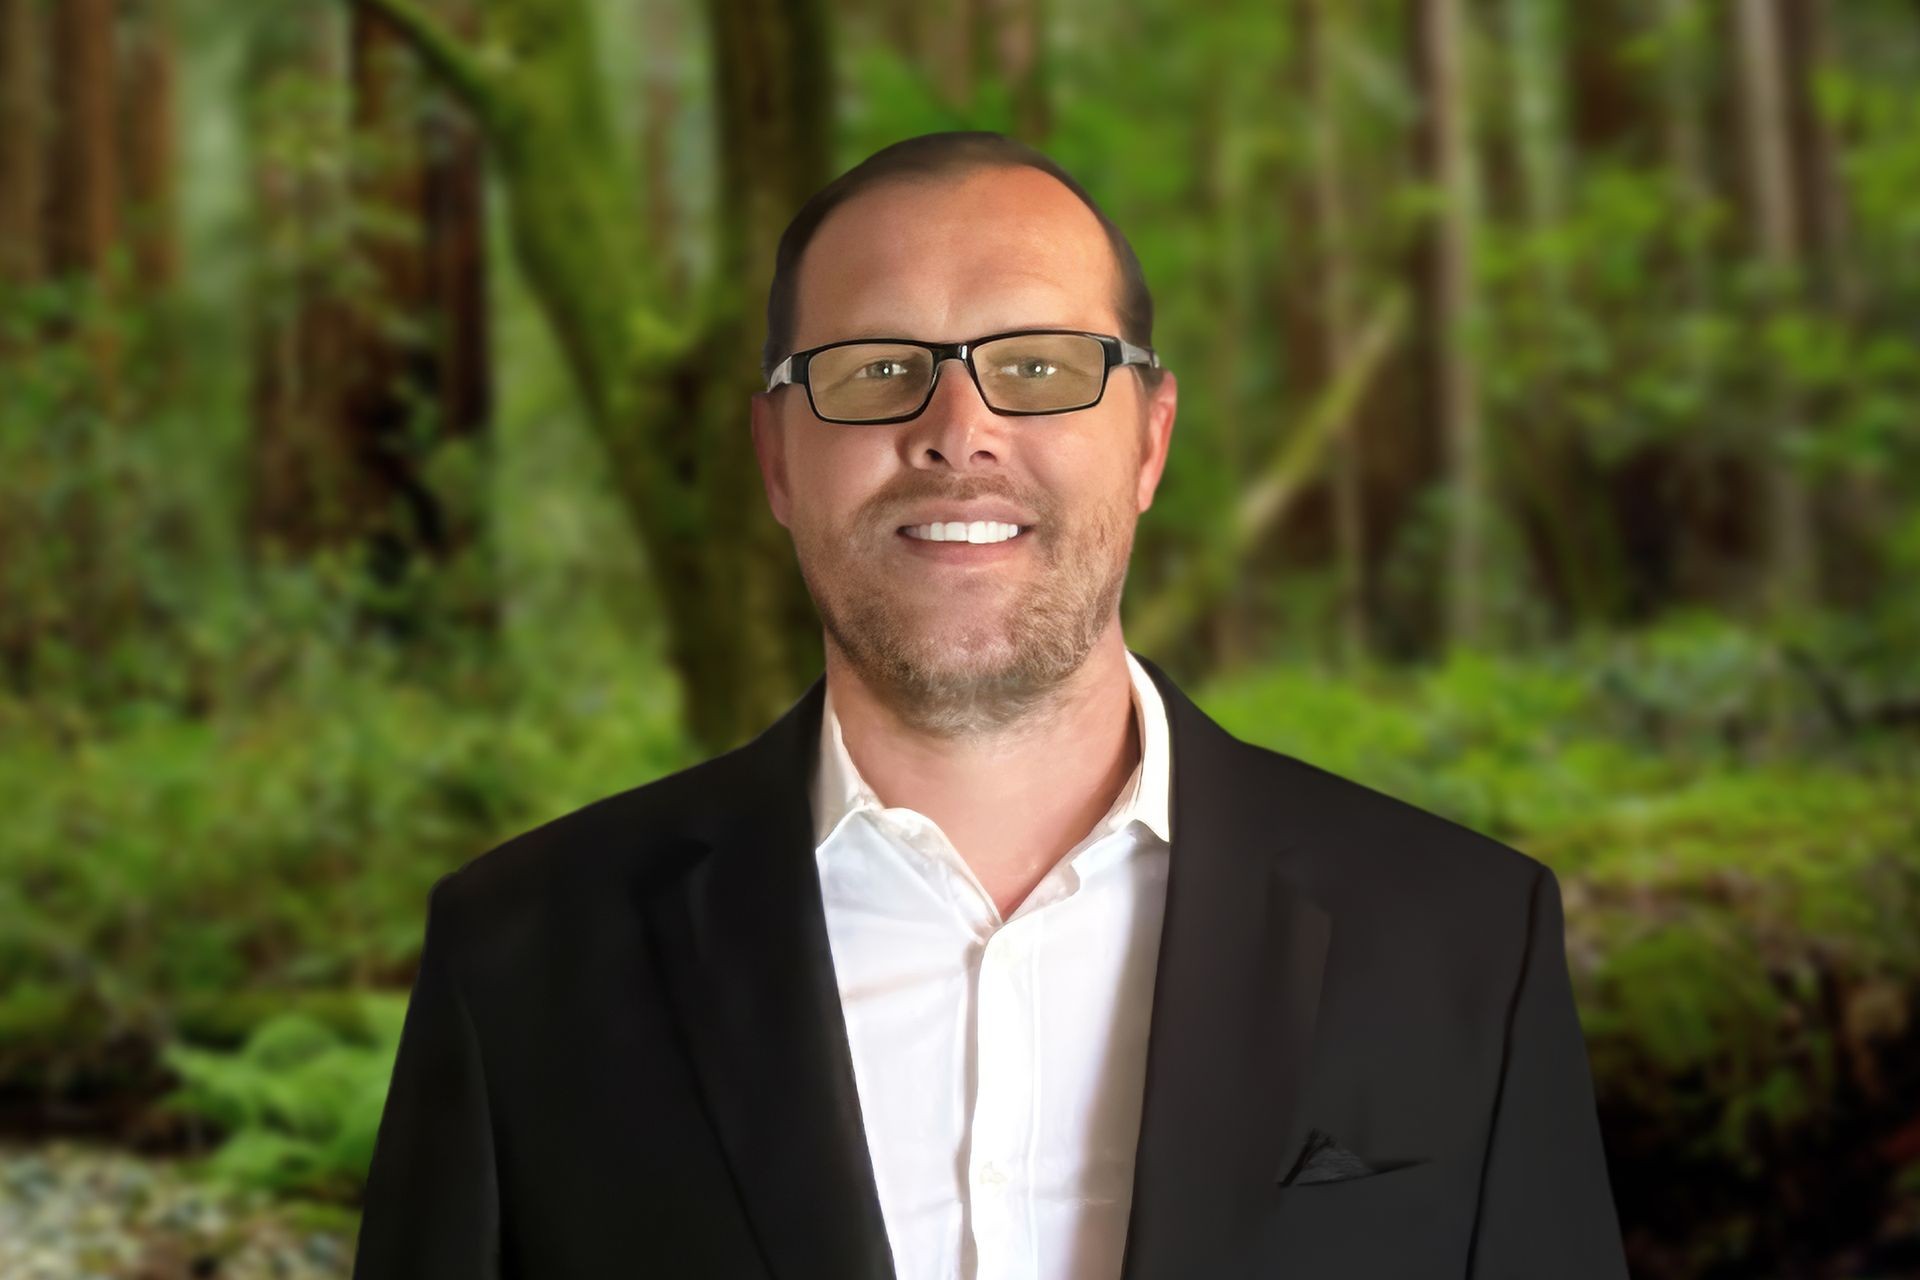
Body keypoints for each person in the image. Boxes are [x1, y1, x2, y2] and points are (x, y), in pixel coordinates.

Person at [351, 131, 1630, 1280]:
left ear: (1150, 440)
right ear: (775, 460)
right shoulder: (521, 960)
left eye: (1038, 364)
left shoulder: (1466, 939)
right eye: (873, 368)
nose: (957, 428)